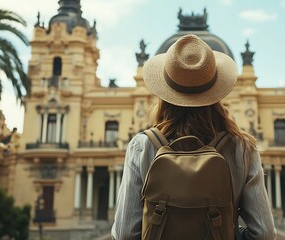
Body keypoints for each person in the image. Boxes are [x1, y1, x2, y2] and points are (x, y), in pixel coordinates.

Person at [111, 34, 276, 240]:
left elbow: (125, 234)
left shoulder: (142, 146)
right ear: (216, 92)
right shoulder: (242, 148)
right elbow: (264, 233)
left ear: (165, 92)